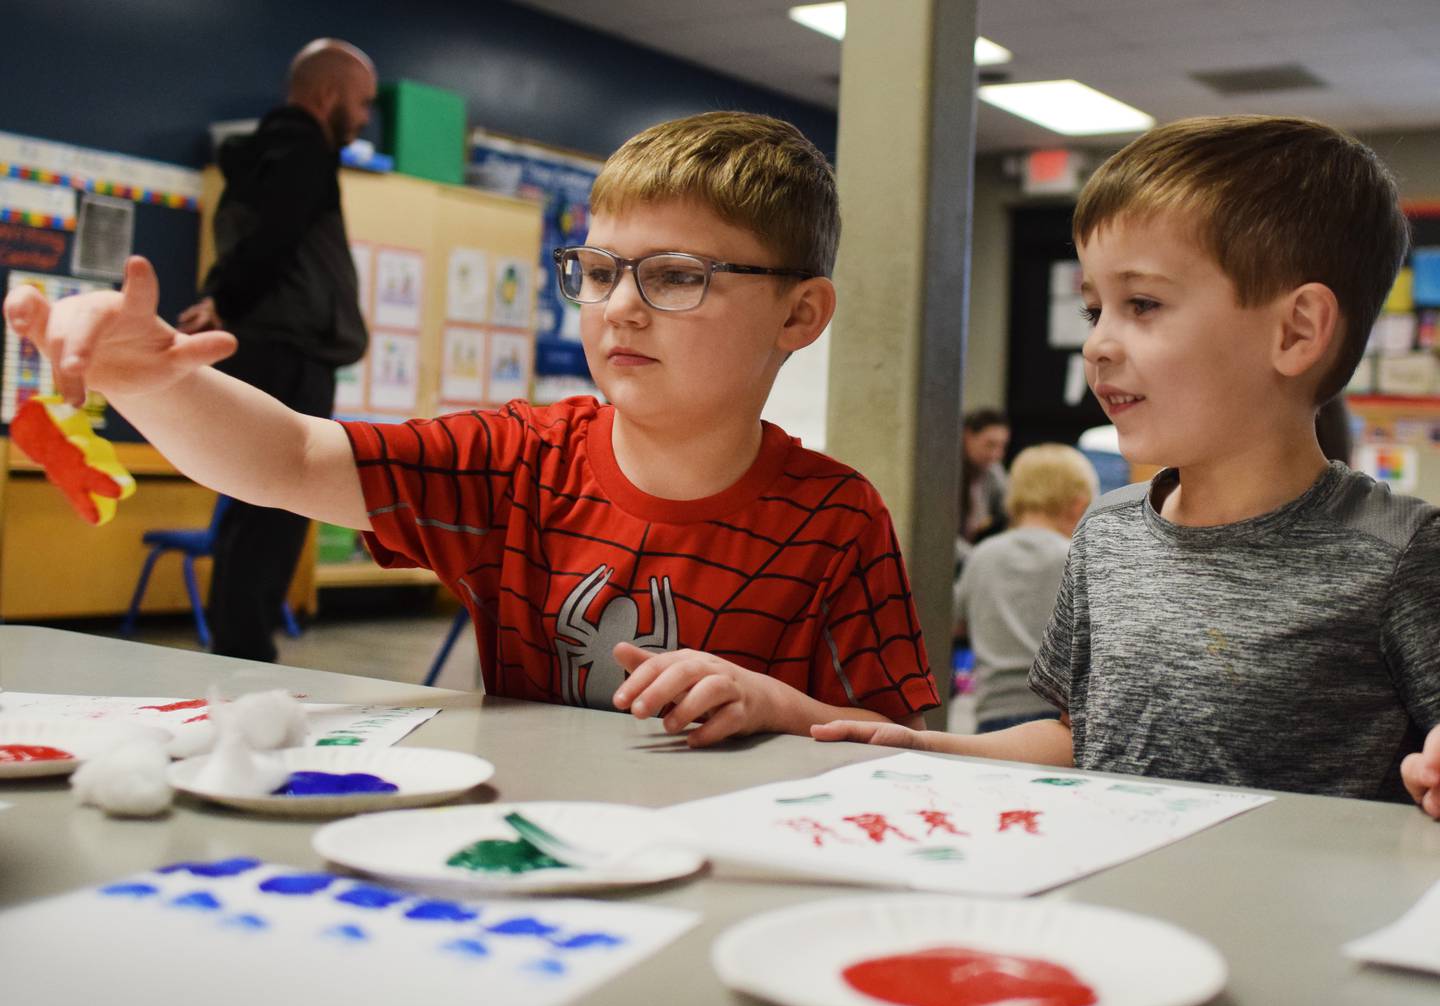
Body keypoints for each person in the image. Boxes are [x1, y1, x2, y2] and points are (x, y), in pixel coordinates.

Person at [5, 111, 939, 748]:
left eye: (678, 275)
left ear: (799, 316)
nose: (621, 308)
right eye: (601, 270)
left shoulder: (836, 520)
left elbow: (896, 750)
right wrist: (140, 376)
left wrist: (778, 710)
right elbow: (291, 456)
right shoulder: (519, 461)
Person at [814, 115, 1440, 818]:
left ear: (1294, 331)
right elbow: (1078, 738)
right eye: (1093, 310)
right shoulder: (1107, 532)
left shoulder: (1400, 552)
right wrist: (918, 752)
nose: (1099, 346)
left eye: (1141, 304)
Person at [176, 38, 376, 661]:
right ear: (327, 94)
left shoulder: (258, 154)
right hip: (290, 355)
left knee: (254, 499)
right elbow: (277, 234)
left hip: (265, 349)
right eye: (363, 102)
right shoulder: (303, 147)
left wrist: (220, 296)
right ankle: (247, 649)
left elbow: (251, 240)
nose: (366, 117)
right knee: (281, 504)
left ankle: (241, 645)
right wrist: (228, 300)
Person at [954, 444, 1096, 733]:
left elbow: (957, 625)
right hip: (1058, 720)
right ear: (1079, 503)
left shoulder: (982, 555)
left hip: (991, 716)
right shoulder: (1078, 558)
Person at [958, 408, 1009, 545]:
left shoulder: (993, 470)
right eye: (990, 445)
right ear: (967, 436)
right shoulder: (946, 473)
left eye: (1002, 446)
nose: (996, 455)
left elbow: (1008, 507)